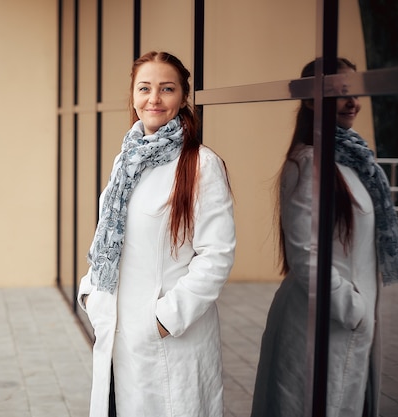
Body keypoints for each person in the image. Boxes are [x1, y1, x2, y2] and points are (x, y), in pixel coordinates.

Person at [77, 51, 236, 417]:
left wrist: (164, 320)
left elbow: (216, 256)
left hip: (165, 342)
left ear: (182, 97)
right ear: (133, 96)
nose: (154, 99)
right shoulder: (126, 160)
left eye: (167, 89)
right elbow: (109, 234)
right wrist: (90, 291)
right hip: (118, 336)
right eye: (144, 88)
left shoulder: (200, 164)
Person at [250, 58, 398, 417]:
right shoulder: (307, 164)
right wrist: (353, 311)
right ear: (311, 100)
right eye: (340, 93)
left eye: (354, 92)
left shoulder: (352, 160)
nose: (352, 102)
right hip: (319, 324)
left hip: (340, 323)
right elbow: (306, 254)